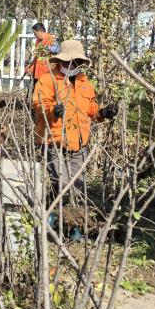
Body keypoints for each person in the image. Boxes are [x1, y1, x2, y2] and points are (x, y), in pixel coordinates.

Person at [32, 40, 117, 208]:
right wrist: (53, 111)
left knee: (78, 185)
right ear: (60, 61)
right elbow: (38, 104)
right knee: (61, 182)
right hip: (54, 140)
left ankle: (69, 217)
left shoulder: (84, 82)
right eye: (67, 61)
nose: (71, 65)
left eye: (76, 62)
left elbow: (89, 110)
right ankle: (50, 212)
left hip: (79, 142)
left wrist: (103, 112)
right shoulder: (48, 79)